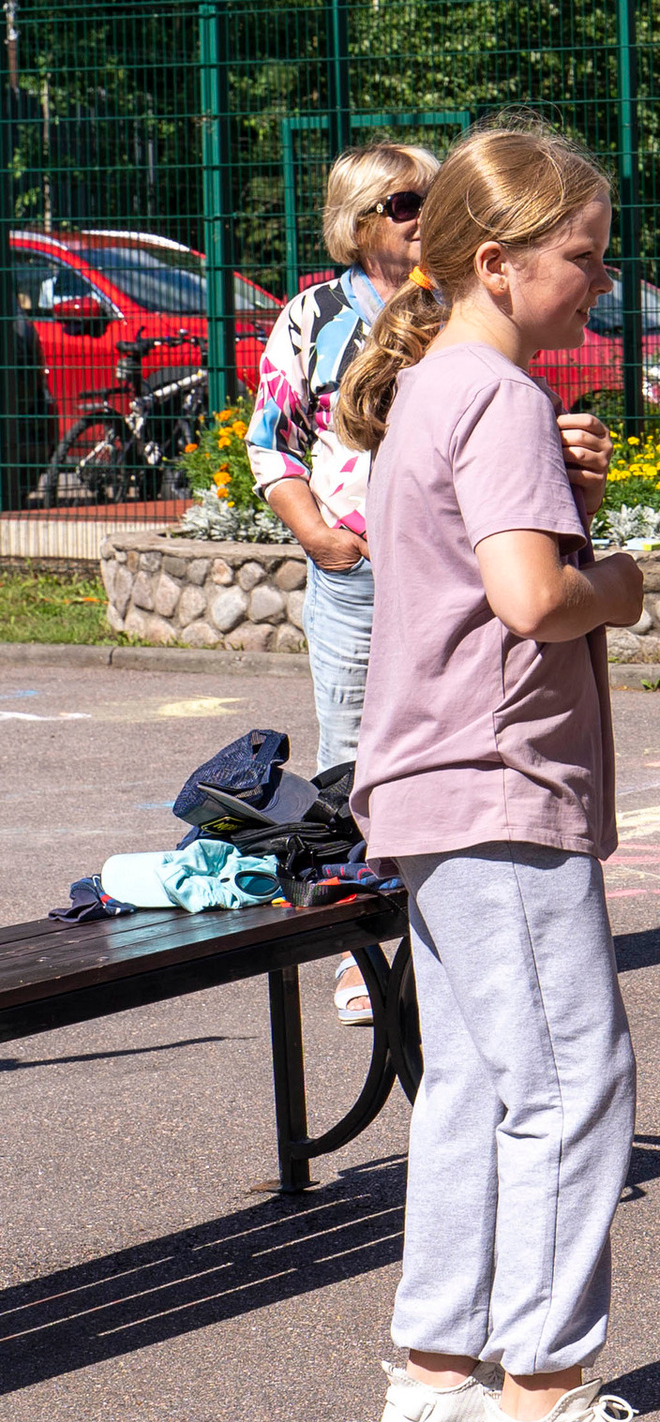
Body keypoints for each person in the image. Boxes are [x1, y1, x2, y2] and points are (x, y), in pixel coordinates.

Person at [339, 125, 660, 1422]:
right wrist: (620, 582)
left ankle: (439, 1379)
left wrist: (569, 510)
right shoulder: (491, 393)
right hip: (497, 780)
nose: (600, 282)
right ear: (496, 263)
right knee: (569, 1082)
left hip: (436, 780)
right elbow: (534, 599)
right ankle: (543, 1406)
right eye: (583, 257)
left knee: (479, 1088)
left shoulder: (443, 384)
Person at [245, 135, 444, 1025]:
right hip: (359, 574)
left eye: (433, 198)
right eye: (406, 204)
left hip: (455, 566)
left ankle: (445, 939)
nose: (424, 216)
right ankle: (356, 950)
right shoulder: (315, 315)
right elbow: (271, 443)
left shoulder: (461, 303)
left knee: (449, 749)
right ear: (360, 222)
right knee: (351, 764)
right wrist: (322, 539)